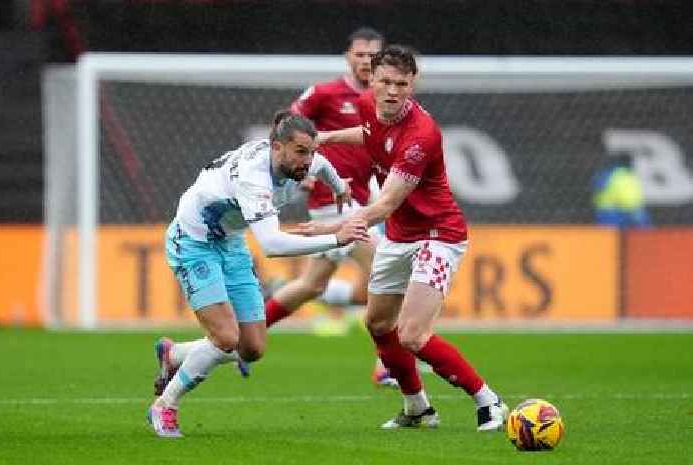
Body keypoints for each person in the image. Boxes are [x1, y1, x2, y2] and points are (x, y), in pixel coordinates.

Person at [303, 45, 508, 430]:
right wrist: (326, 138)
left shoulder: (421, 135)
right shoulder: (368, 105)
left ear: (413, 84)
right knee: (379, 324)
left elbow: (385, 204)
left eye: (402, 84)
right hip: (400, 236)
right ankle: (418, 408)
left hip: (437, 235)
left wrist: (331, 226)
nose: (393, 91)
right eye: (385, 82)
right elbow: (368, 134)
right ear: (372, 81)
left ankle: (488, 400)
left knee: (412, 333)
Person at [147, 110, 369, 438]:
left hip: (231, 243)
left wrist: (340, 188)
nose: (307, 162)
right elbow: (272, 244)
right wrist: (338, 237)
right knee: (225, 338)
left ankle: (175, 354)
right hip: (193, 243)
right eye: (300, 153)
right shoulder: (254, 178)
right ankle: (165, 405)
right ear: (276, 148)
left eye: (311, 152)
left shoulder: (303, 160)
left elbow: (324, 167)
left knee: (252, 348)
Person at [261, 27, 397, 386]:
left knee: (311, 286)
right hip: (332, 205)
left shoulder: (383, 100)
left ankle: (247, 332)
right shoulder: (325, 93)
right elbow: (285, 127)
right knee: (389, 271)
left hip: (359, 202)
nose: (367, 60)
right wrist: (297, 172)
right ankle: (389, 364)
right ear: (348, 57)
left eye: (373, 55)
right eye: (360, 54)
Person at [593, 153, 651, 228]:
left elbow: (597, 191)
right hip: (615, 212)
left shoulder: (607, 174)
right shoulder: (623, 175)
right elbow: (630, 199)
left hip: (608, 212)